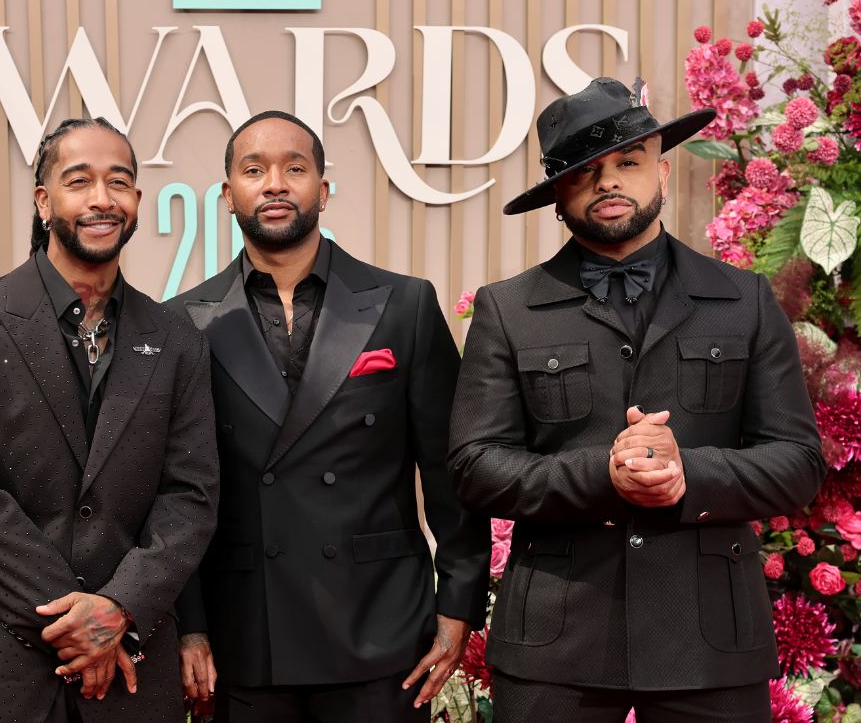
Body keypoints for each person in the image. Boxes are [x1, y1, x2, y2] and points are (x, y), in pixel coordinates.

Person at [448, 77, 827, 721]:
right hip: (554, 646)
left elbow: (797, 463)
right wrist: (602, 474)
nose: (609, 182)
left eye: (628, 162)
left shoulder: (746, 300)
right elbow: (474, 466)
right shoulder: (509, 309)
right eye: (585, 172)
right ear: (558, 196)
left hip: (711, 640)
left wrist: (687, 475)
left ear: (664, 172)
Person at [168, 110, 490, 723]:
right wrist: (191, 627)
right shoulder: (183, 322)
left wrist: (458, 605)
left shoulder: (405, 304)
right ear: (227, 193)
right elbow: (177, 493)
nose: (275, 184)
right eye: (254, 170)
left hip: (381, 625)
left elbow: (452, 473)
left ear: (323, 188)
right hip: (249, 631)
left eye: (295, 168)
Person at [0, 116, 219, 723]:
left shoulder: (177, 337)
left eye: (119, 182)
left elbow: (191, 495)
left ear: (136, 200)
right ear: (44, 199)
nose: (101, 199)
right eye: (79, 181)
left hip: (134, 663)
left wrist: (119, 608)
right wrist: (77, 621)